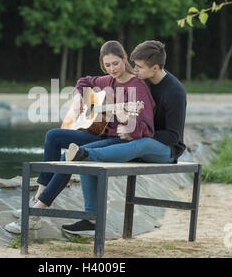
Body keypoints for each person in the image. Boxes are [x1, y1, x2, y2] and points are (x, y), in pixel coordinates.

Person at [4, 40, 156, 234]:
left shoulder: (138, 87)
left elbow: (146, 129)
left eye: (116, 63)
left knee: (68, 156)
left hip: (122, 143)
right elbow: (84, 81)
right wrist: (77, 98)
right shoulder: (108, 81)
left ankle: (35, 214)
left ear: (125, 59)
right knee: (53, 136)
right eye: (107, 65)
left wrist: (126, 121)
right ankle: (38, 196)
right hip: (102, 137)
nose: (112, 69)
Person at [61, 40, 187, 236]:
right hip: (134, 139)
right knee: (89, 147)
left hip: (164, 150)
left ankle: (86, 155)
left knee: (141, 143)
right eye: (134, 65)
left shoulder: (174, 92)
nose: (134, 70)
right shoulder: (142, 82)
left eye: (139, 67)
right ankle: (90, 218)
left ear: (155, 68)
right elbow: (86, 81)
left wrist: (139, 131)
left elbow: (173, 136)